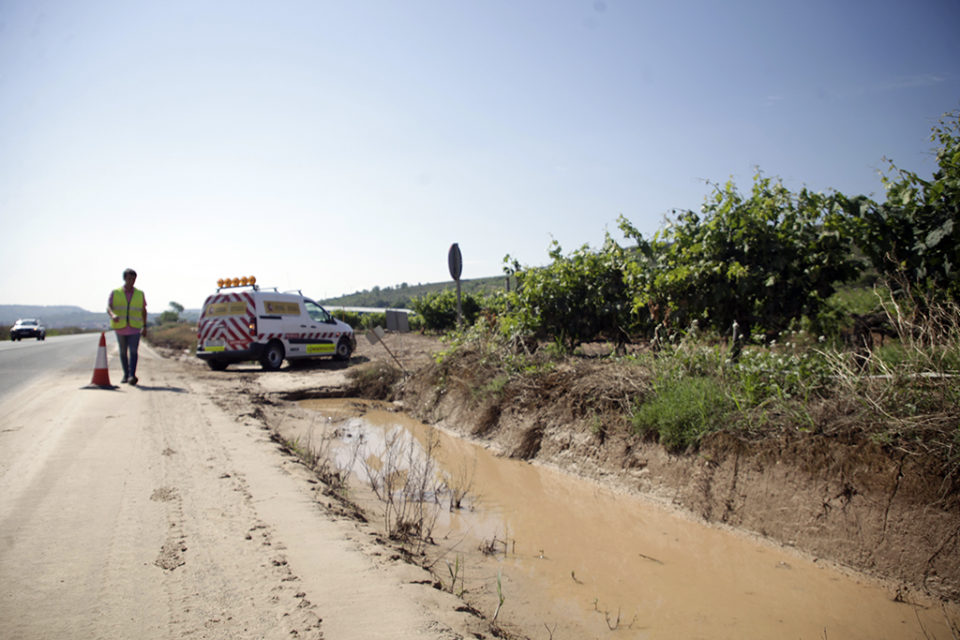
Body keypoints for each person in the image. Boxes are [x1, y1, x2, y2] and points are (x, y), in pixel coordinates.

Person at [107, 268, 147, 385]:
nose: (131, 281)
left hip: (135, 327)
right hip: (120, 328)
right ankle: (126, 374)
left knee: (134, 351)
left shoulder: (139, 294)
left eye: (133, 279)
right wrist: (113, 315)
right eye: (129, 278)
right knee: (123, 352)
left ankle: (132, 375)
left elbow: (143, 310)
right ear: (124, 279)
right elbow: (109, 307)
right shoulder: (116, 293)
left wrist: (144, 326)